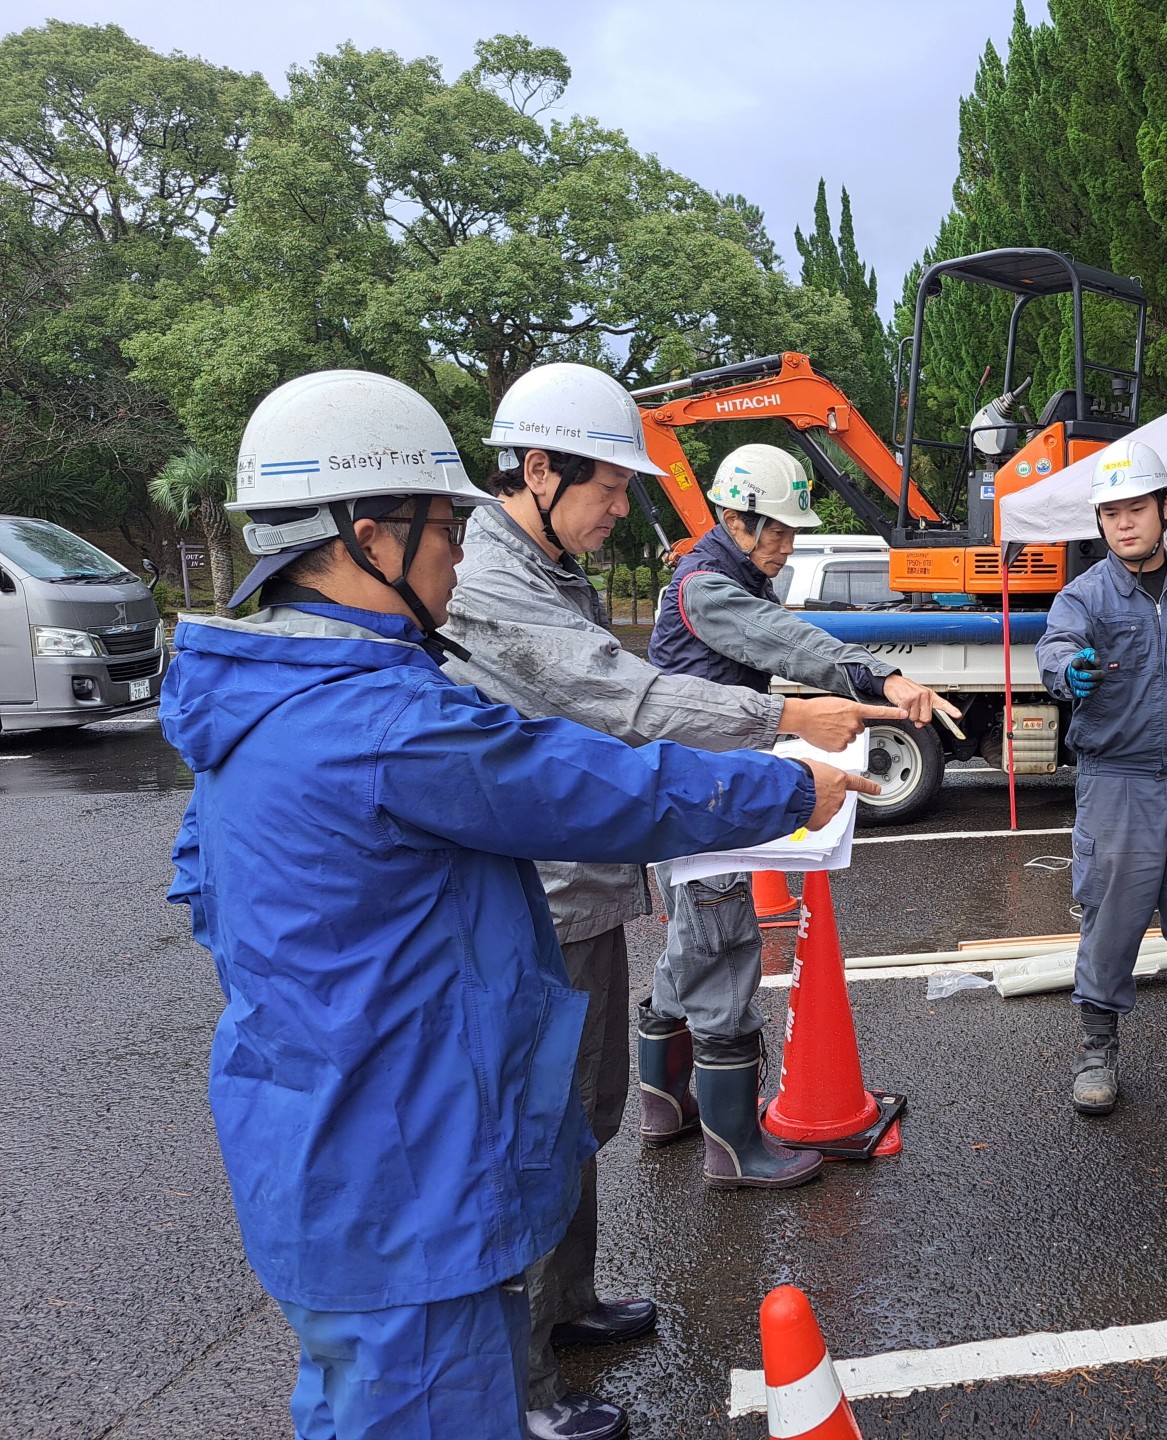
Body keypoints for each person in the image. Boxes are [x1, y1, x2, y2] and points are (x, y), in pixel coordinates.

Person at [162, 370, 874, 1440]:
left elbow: (208, 895)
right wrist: (781, 786)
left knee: (365, 1395)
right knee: (427, 1406)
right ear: (367, 536)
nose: (461, 553)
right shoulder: (380, 720)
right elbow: (587, 784)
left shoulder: (260, 700)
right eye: (446, 528)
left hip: (323, 1137)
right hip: (406, 1170)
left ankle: (545, 1344)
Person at [438, 365, 902, 1440]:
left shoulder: (552, 567)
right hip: (535, 896)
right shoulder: (492, 578)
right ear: (540, 470)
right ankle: (525, 1388)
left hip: (584, 882)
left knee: (584, 1114)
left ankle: (568, 1304)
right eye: (609, 487)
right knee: (535, 1133)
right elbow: (625, 697)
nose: (622, 509)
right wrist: (789, 718)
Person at [645, 442, 961, 1187]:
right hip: (703, 800)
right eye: (780, 531)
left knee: (689, 944)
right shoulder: (707, 588)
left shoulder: (718, 577)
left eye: (792, 532)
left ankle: (666, 1107)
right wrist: (880, 678)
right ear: (736, 519)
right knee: (723, 949)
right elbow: (786, 641)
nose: (787, 546)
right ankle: (735, 1150)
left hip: (687, 789)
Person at [1034, 438, 1167, 1116]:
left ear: (1166, 508)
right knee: (1111, 921)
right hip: (1117, 783)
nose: (1123, 524)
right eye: (1110, 513)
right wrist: (1067, 670)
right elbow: (1056, 645)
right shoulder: (1084, 596)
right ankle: (1096, 1051)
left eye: (1136, 509)